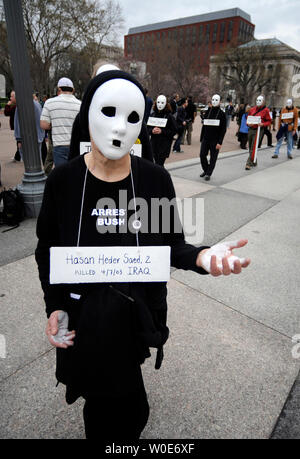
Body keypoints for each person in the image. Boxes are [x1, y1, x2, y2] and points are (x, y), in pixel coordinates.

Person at [35, 69, 250, 440]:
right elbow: (47, 251)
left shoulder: (153, 179)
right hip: (85, 316)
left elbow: (173, 244)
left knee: (130, 407)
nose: (119, 127)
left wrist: (202, 258)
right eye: (109, 113)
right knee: (106, 408)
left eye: (132, 117)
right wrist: (54, 305)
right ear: (88, 114)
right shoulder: (64, 181)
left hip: (134, 314)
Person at [40, 77, 81, 166]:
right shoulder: (80, 104)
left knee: (62, 174)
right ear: (73, 90)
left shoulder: (49, 103)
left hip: (59, 144)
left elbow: (44, 125)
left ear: (59, 89)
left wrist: (54, 123)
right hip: (75, 145)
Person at [199, 94, 226, 181]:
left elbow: (223, 129)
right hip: (206, 138)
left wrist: (220, 142)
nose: (214, 102)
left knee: (213, 158)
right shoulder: (208, 111)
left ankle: (208, 173)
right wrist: (201, 137)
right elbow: (204, 125)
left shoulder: (222, 114)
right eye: (213, 100)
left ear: (220, 102)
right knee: (202, 155)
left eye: (216, 100)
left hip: (215, 140)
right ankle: (206, 170)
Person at [147, 95, 177, 167]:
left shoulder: (169, 116)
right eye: (158, 102)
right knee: (156, 163)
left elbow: (174, 130)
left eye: (162, 102)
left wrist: (162, 131)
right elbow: (147, 128)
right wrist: (152, 130)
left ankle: (160, 177)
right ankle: (161, 177)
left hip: (164, 144)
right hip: (154, 144)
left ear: (166, 104)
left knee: (159, 164)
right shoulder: (152, 115)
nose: (160, 104)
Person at [14, 95, 45, 163]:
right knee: (37, 160)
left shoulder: (21, 105)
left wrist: (19, 139)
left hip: (26, 138)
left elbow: (18, 122)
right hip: (38, 136)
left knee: (28, 162)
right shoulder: (37, 104)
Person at [245, 95, 271, 170]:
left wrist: (263, 124)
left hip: (259, 130)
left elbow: (269, 121)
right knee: (250, 146)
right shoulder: (252, 109)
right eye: (257, 100)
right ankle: (254, 160)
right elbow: (248, 118)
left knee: (254, 146)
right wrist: (248, 123)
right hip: (251, 129)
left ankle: (248, 163)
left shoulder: (266, 110)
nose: (258, 102)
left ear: (263, 102)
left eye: (260, 100)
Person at [4, 90, 20, 162]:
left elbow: (7, 113)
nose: (10, 98)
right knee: (18, 141)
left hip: (18, 127)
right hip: (17, 127)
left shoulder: (16, 107)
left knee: (19, 141)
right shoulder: (16, 106)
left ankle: (18, 157)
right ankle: (18, 156)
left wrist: (7, 105)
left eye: (11, 96)